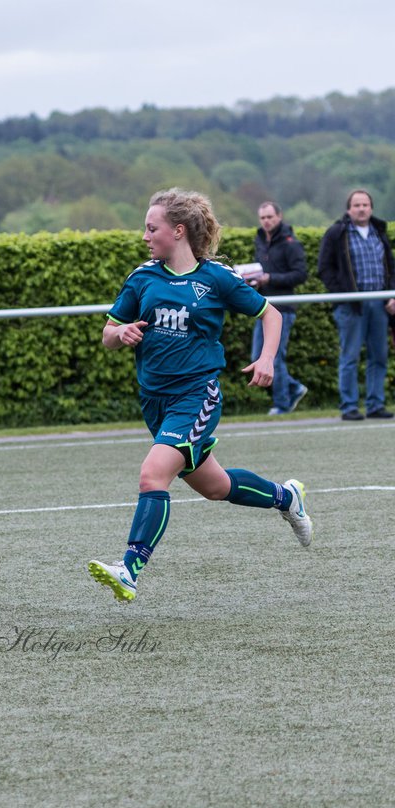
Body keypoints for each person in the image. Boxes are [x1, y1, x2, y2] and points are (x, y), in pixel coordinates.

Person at [87, 189, 312, 603]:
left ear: (178, 230)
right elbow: (107, 335)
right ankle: (286, 497)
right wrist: (121, 333)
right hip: (155, 402)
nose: (144, 236)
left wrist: (267, 360)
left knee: (152, 474)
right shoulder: (142, 277)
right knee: (217, 486)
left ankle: (130, 569)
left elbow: (271, 314)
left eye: (151, 228)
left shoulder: (216, 278)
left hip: (196, 396)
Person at [316, 189, 394, 420]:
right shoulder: (337, 233)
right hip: (351, 305)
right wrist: (342, 295)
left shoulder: (379, 232)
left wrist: (391, 294)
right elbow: (324, 268)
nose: (362, 209)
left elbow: (391, 266)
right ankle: (349, 406)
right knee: (350, 357)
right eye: (357, 205)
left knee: (379, 356)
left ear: (371, 208)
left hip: (379, 303)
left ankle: (375, 404)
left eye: (366, 205)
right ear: (349, 209)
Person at [242, 201, 309, 415]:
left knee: (275, 357)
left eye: (270, 217)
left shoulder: (291, 243)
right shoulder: (260, 240)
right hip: (263, 308)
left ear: (279, 216)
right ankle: (294, 388)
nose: (266, 221)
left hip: (284, 309)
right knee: (258, 355)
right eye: (263, 218)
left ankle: (282, 404)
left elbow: (301, 274)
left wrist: (271, 278)